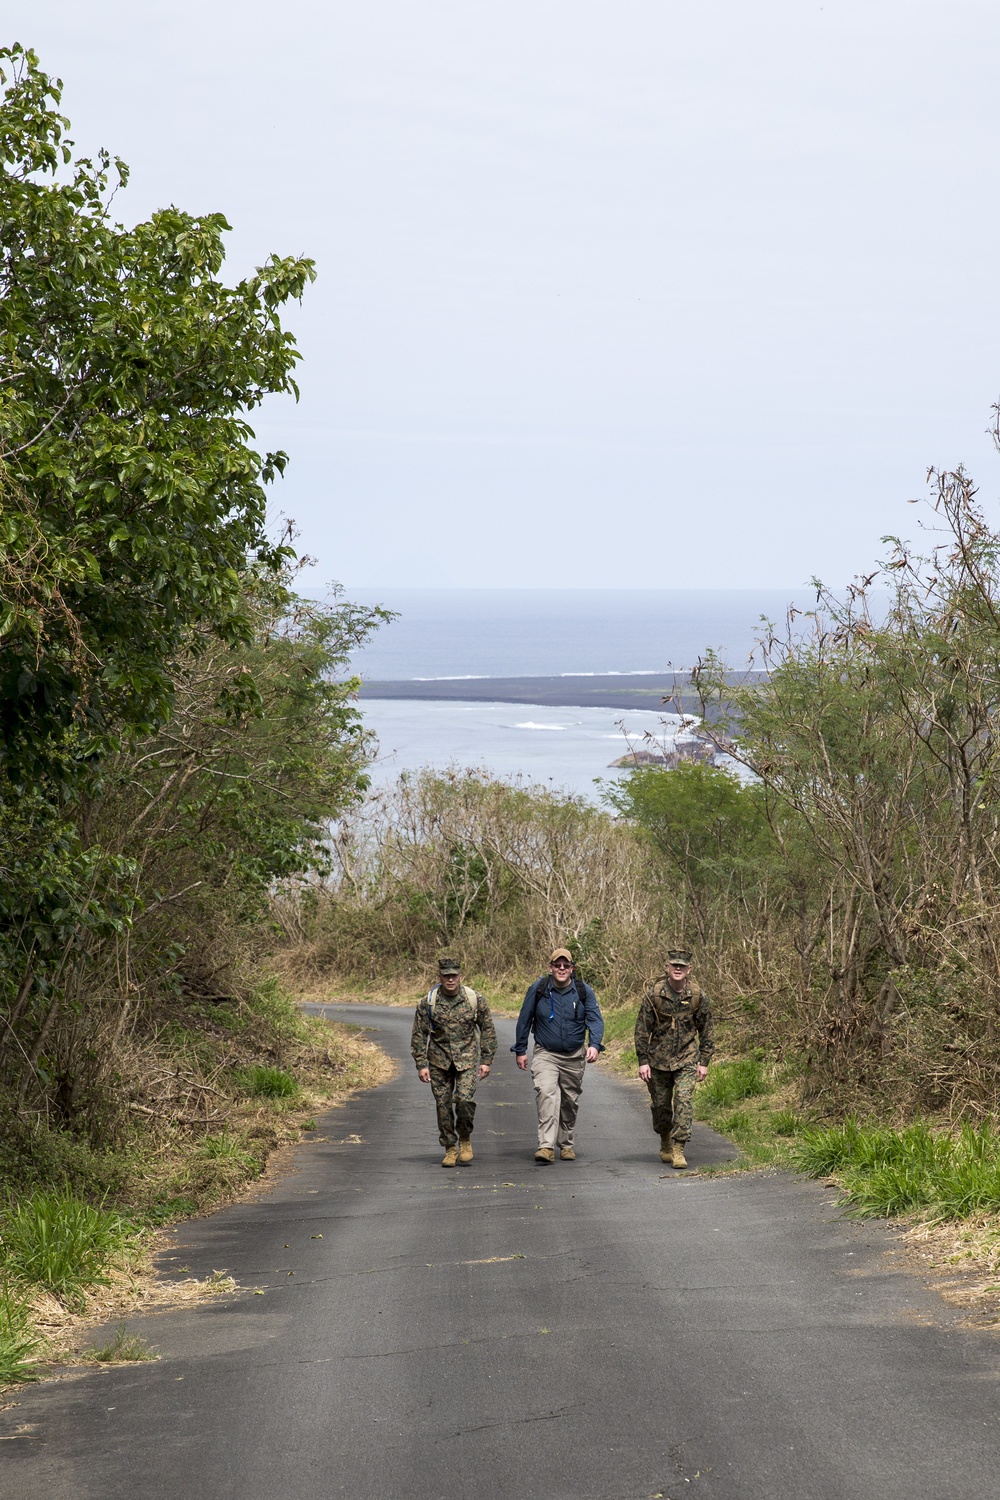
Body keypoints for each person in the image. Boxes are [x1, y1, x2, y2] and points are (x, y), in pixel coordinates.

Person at [513, 947, 604, 1164]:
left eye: (566, 965)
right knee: (546, 1093)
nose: (561, 969)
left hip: (574, 1056)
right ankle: (545, 1146)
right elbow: (524, 1019)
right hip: (546, 1053)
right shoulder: (539, 989)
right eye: (557, 965)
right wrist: (520, 1049)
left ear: (572, 968)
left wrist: (594, 1045)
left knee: (569, 1101)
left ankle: (566, 1144)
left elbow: (595, 1019)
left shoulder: (583, 991)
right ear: (551, 967)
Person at [411, 957, 497, 1168]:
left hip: (467, 1060)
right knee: (443, 1106)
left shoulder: (474, 999)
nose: (450, 979)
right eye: (446, 975)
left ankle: (465, 1137)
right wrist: (421, 1064)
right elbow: (419, 1035)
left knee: (464, 1101)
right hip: (438, 1061)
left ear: (460, 976)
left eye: (454, 975)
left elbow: (488, 1030)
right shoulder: (428, 1002)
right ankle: (450, 1147)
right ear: (439, 977)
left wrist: (486, 1060)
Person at [634, 947, 714, 1168]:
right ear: (667, 967)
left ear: (689, 969)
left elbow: (707, 1030)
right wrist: (643, 1061)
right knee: (661, 1107)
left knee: (683, 1101)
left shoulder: (698, 996)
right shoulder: (654, 995)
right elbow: (642, 1029)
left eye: (682, 966)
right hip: (658, 1060)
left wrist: (704, 1061)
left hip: (687, 1058)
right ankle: (665, 1140)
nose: (677, 969)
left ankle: (679, 1148)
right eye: (674, 965)